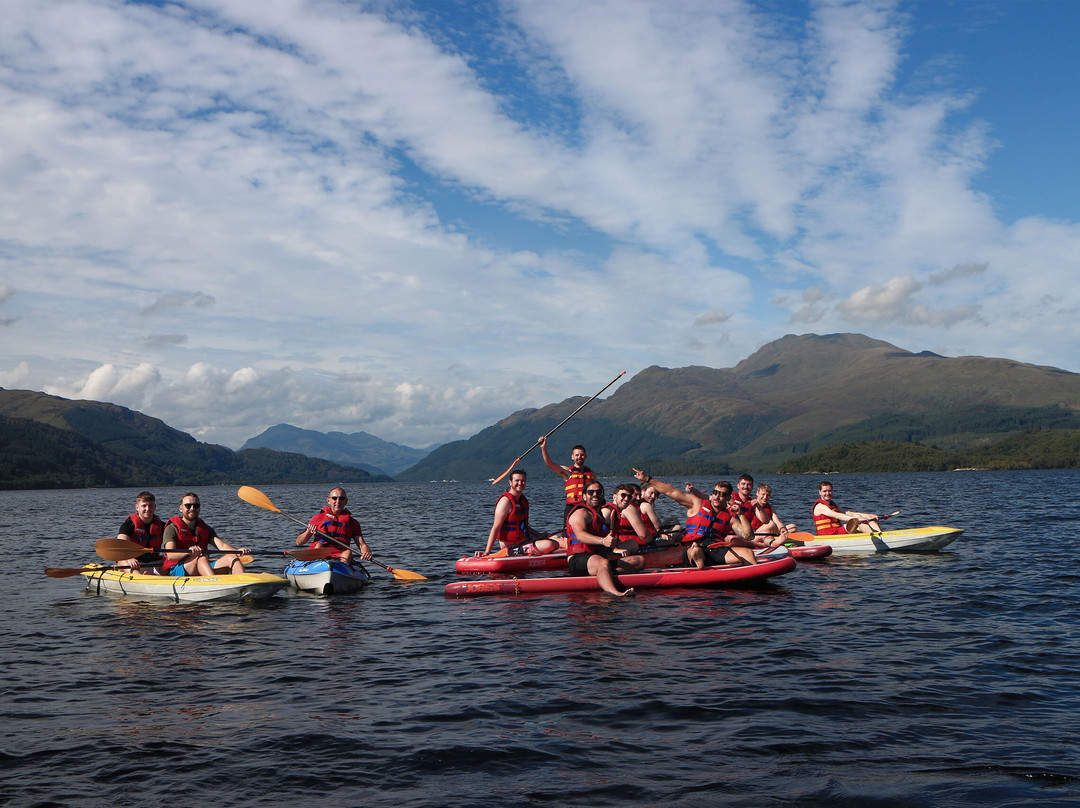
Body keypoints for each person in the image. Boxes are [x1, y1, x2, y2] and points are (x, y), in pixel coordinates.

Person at [632, 469, 756, 568]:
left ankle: (756, 583)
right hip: (692, 548)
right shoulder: (696, 504)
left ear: (728, 498)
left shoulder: (729, 517)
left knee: (748, 553)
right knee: (696, 551)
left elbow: (748, 535)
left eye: (722, 494)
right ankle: (700, 567)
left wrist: (740, 514)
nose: (717, 497)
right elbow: (671, 491)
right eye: (715, 493)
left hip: (716, 550)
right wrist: (648, 479)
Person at [566, 482, 644, 596]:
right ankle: (615, 593)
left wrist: (613, 548)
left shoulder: (599, 516)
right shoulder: (581, 513)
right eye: (590, 492)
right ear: (584, 496)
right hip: (578, 559)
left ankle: (604, 575)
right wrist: (603, 541)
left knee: (639, 561)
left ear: (602, 495)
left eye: (598, 492)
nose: (595, 494)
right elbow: (580, 535)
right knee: (602, 563)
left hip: (598, 559)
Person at [479, 470, 562, 556]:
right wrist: (487, 552)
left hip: (524, 540)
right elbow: (495, 528)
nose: (520, 483)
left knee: (556, 541)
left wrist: (540, 534)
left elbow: (525, 527)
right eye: (517, 481)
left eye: (522, 481)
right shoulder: (505, 502)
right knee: (550, 545)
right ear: (510, 482)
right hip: (511, 546)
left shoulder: (522, 500)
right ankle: (520, 551)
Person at [162, 493, 248, 576]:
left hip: (202, 563)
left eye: (196, 506)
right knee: (201, 557)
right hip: (178, 568)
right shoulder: (172, 528)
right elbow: (171, 555)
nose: (192, 508)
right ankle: (214, 583)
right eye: (188, 505)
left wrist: (237, 551)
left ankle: (243, 584)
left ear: (199, 508)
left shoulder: (205, 528)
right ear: (181, 508)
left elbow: (221, 545)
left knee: (231, 557)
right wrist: (189, 553)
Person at [296, 487, 373, 564]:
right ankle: (318, 567)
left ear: (346, 501)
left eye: (341, 498)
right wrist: (308, 531)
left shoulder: (353, 523)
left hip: (339, 554)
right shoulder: (317, 518)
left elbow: (362, 544)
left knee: (348, 552)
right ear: (328, 500)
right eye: (334, 498)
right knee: (319, 546)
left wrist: (366, 552)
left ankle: (340, 570)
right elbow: (299, 542)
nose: (338, 501)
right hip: (319, 552)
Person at [539, 435, 596, 519]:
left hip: (588, 507)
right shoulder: (568, 472)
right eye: (577, 455)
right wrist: (543, 448)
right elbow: (549, 464)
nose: (579, 457)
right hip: (572, 507)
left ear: (585, 456)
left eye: (582, 455)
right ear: (572, 457)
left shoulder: (591, 474)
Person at [115, 491, 165, 574]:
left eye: (150, 506)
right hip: (134, 563)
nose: (147, 509)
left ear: (155, 507)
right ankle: (141, 578)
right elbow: (121, 545)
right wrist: (129, 558)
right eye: (144, 506)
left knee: (169, 562)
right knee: (122, 560)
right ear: (137, 507)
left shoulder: (162, 525)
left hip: (155, 562)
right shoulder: (128, 525)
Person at [812, 481, 882, 534]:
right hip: (828, 535)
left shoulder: (833, 505)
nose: (827, 493)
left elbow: (848, 513)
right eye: (825, 491)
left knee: (870, 520)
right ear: (820, 492)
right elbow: (837, 515)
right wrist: (857, 520)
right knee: (857, 523)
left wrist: (869, 516)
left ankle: (881, 535)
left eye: (829, 491)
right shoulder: (820, 506)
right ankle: (875, 538)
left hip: (836, 531)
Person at [603, 483, 654, 552]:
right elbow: (644, 535)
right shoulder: (609, 511)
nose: (626, 499)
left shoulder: (614, 509)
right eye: (623, 495)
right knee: (634, 544)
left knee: (633, 543)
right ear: (614, 497)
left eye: (629, 497)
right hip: (607, 546)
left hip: (615, 543)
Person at [749, 483, 796, 549]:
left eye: (767, 495)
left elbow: (777, 521)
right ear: (757, 493)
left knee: (793, 527)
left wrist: (783, 530)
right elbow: (764, 520)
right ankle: (774, 541)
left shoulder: (770, 507)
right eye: (763, 494)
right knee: (771, 524)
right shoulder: (754, 504)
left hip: (769, 531)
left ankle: (780, 537)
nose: (765, 497)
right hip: (755, 533)